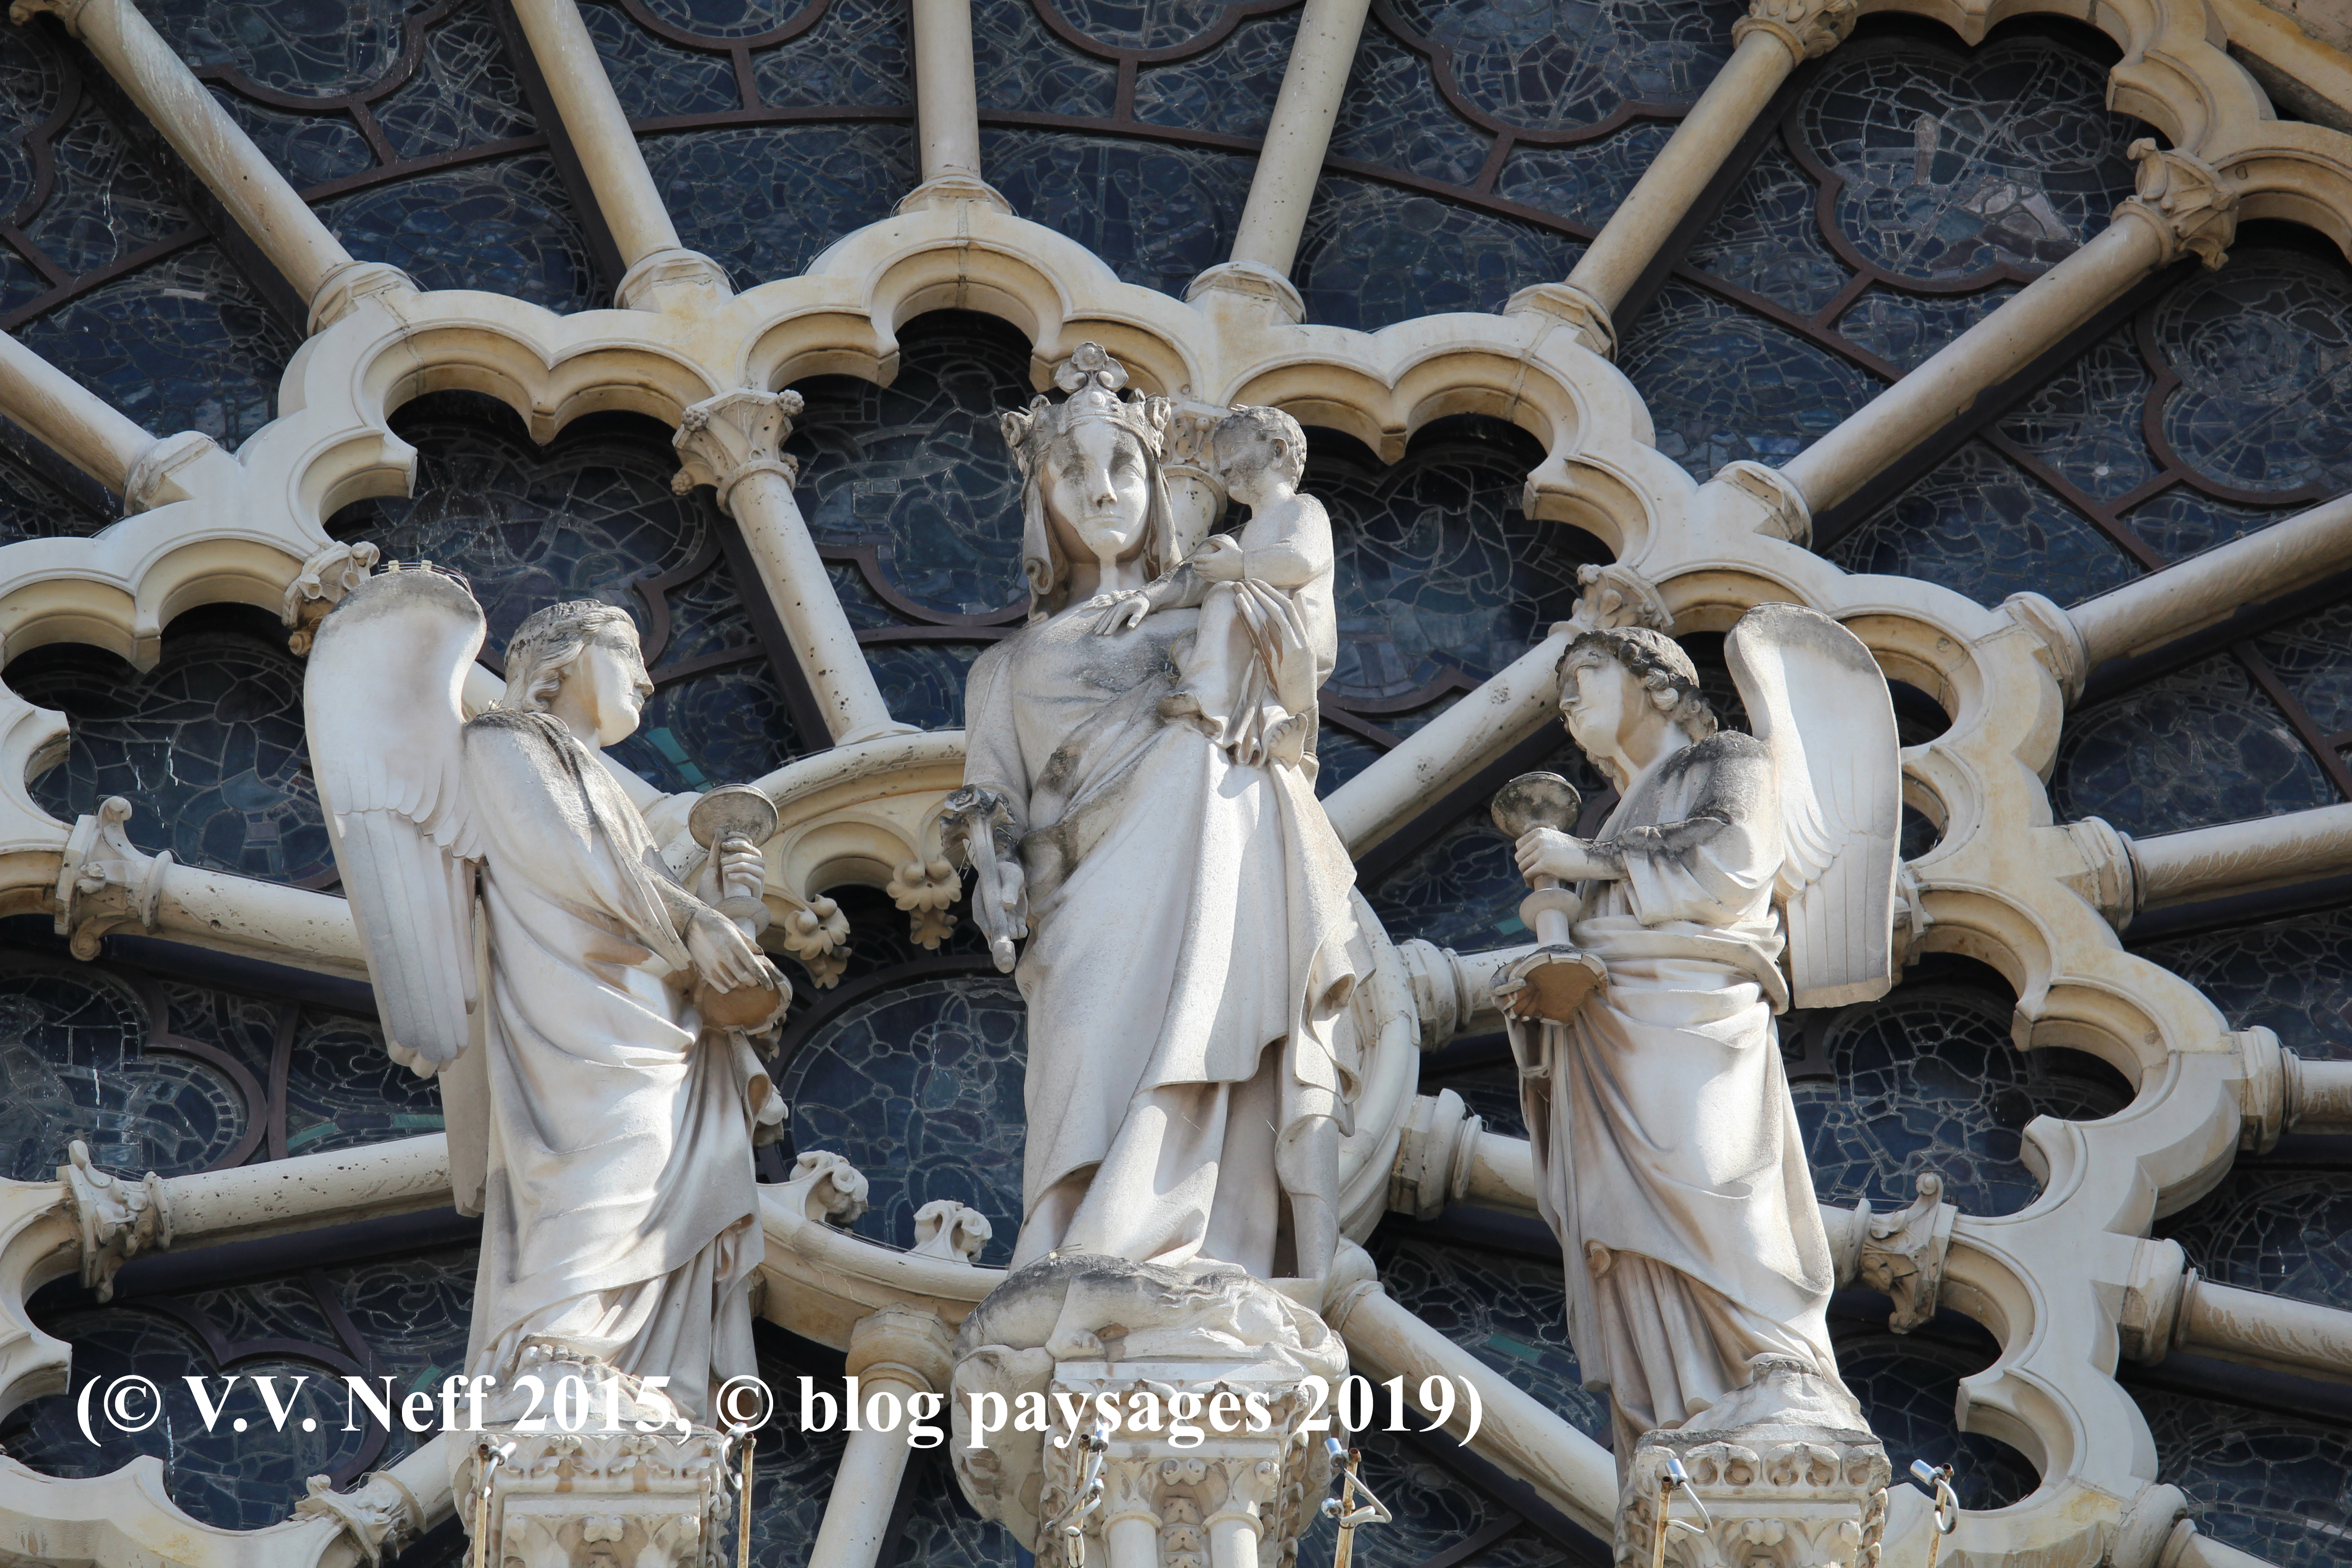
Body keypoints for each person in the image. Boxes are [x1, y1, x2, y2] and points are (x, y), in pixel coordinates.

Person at [948, 345, 1369, 1282]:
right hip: (1078, 896)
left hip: (1205, 845)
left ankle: (1201, 1237)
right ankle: (1070, 1235)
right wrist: (994, 865)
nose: (1101, 491)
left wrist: (1242, 590)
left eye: (1124, 468)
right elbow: (993, 793)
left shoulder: (1209, 608)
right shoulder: (1003, 669)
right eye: (1072, 473)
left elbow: (1295, 667)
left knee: (1208, 1023)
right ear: (1042, 502)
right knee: (1084, 1053)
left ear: (1157, 487)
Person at [1508, 624, 1863, 1465]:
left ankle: (1776, 1365)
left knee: (1716, 1178)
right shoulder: (1619, 811)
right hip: (1611, 1039)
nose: (1569, 699)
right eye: (1563, 689)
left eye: (1587, 672)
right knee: (1628, 1224)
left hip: (1693, 1016)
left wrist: (1591, 860)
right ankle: (1680, 1399)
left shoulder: (1726, 759)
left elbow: (1733, 859)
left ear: (1657, 683)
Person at [456, 599, 784, 1426]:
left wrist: (725, 909)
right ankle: (564, 1348)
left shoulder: (600, 780)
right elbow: (572, 863)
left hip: (649, 1020)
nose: (645, 678)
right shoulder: (501, 743)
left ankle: (646, 1373)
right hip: (580, 1021)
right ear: (562, 659)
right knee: (608, 1161)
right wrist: (696, 920)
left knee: (653, 1161)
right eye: (626, 652)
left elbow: (636, 894)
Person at [1090, 403, 1335, 772]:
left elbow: (1301, 560)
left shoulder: (1304, 509)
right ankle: (1271, 727)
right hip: (1256, 635)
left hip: (1291, 634)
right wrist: (1148, 597)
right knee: (1186, 645)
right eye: (1218, 457)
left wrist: (1239, 567)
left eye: (1232, 451)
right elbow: (1193, 577)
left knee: (1223, 596)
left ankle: (1206, 696)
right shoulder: (1242, 535)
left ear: (1277, 451)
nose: (1222, 467)